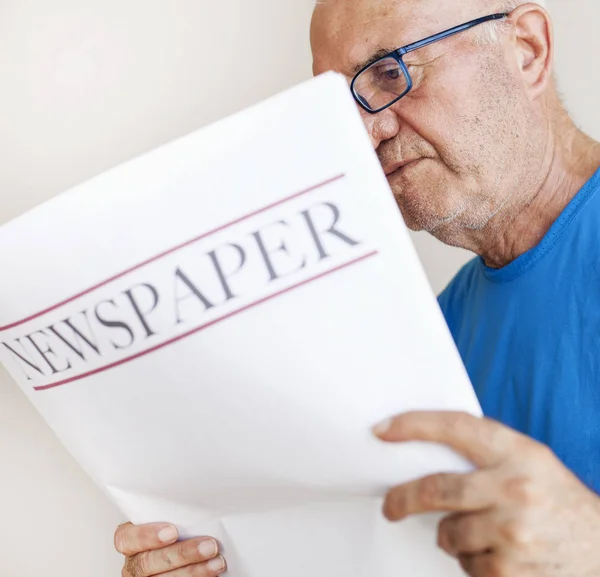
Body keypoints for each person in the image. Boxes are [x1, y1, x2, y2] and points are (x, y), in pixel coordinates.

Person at [115, 1, 600, 575]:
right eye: (339, 106)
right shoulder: (428, 339)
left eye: (391, 73)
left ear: (527, 50)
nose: (366, 131)